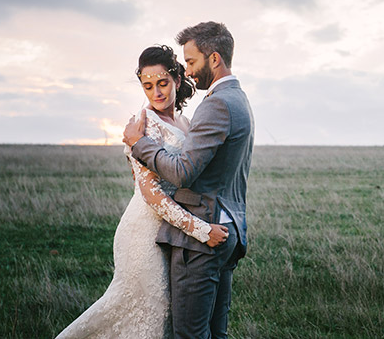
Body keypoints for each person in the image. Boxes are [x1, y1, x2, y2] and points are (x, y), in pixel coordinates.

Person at [57, 45, 227, 338]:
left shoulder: (186, 123)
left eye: (162, 83)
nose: (156, 93)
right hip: (143, 234)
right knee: (152, 315)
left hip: (172, 233)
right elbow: (151, 196)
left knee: (167, 317)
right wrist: (201, 230)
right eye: (147, 86)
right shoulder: (143, 124)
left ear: (176, 79)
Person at [123, 21, 254, 339]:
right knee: (211, 331)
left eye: (192, 61)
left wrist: (138, 144)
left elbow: (183, 172)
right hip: (212, 226)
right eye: (147, 86)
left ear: (214, 59)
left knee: (190, 334)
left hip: (202, 231)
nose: (190, 69)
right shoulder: (239, 100)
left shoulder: (215, 105)